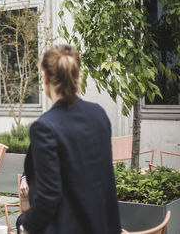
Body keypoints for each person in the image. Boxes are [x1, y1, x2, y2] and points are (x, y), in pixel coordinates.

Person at [17, 45, 121, 234]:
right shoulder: (99, 114)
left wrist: (24, 225)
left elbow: (48, 196)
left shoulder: (44, 127)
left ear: (46, 78)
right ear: (77, 75)